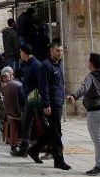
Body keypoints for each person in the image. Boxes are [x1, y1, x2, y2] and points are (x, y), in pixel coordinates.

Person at [28, 41, 70, 170]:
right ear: (51, 51)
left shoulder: (58, 66)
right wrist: (46, 104)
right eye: (58, 50)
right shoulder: (45, 66)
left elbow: (59, 85)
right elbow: (43, 86)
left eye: (61, 50)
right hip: (51, 104)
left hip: (58, 102)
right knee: (57, 132)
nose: (60, 53)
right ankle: (59, 160)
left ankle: (34, 150)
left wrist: (65, 96)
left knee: (52, 130)